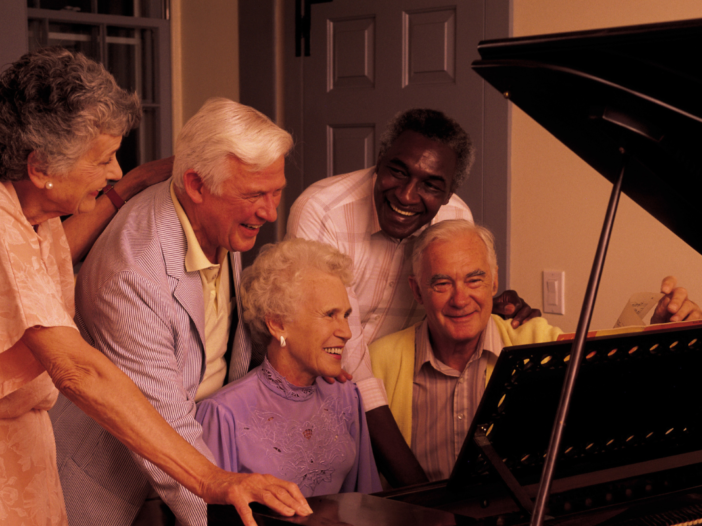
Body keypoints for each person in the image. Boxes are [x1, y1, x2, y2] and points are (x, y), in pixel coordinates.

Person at [0, 47, 310, 526]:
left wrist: (129, 187)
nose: (116, 172)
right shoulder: (14, 234)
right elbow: (82, 373)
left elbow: (51, 253)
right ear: (40, 168)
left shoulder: (32, 216)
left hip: (35, 458)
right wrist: (212, 481)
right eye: (103, 159)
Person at [286, 108, 539, 485]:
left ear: (449, 192)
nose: (406, 195)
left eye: (431, 185)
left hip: (397, 393)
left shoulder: (456, 215)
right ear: (379, 161)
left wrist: (492, 305)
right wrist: (425, 497)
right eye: (398, 171)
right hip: (312, 391)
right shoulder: (322, 212)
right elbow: (346, 356)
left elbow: (452, 296)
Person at [370, 219, 702, 481]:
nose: (460, 299)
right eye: (442, 283)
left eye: (474, 280)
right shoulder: (378, 363)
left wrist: (663, 330)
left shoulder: (535, 343)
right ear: (417, 290)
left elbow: (613, 378)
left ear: (495, 282)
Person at [196, 239, 382, 497]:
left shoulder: (347, 397)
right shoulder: (222, 414)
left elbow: (366, 505)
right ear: (278, 324)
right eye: (330, 314)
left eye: (346, 315)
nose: (347, 332)